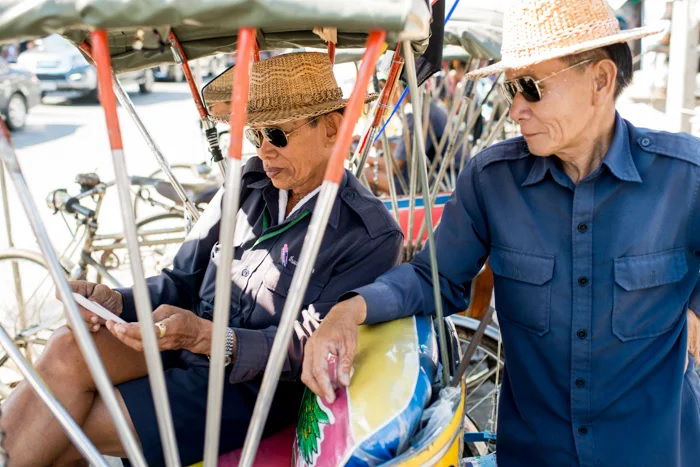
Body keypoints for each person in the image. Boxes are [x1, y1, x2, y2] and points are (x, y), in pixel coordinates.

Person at [302, 1, 700, 466]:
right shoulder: (492, 180)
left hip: (656, 451)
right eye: (511, 88)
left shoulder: (685, 179)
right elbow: (434, 278)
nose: (515, 109)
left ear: (601, 81)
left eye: (531, 88)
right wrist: (348, 311)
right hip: (533, 454)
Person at [0, 52, 403, 466]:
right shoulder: (246, 186)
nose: (264, 151)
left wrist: (209, 337)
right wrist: (117, 301)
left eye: (278, 135)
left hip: (250, 387)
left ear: (333, 129)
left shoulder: (367, 234)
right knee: (69, 347)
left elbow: (309, 348)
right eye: (255, 135)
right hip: (181, 342)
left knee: (75, 426)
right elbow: (181, 279)